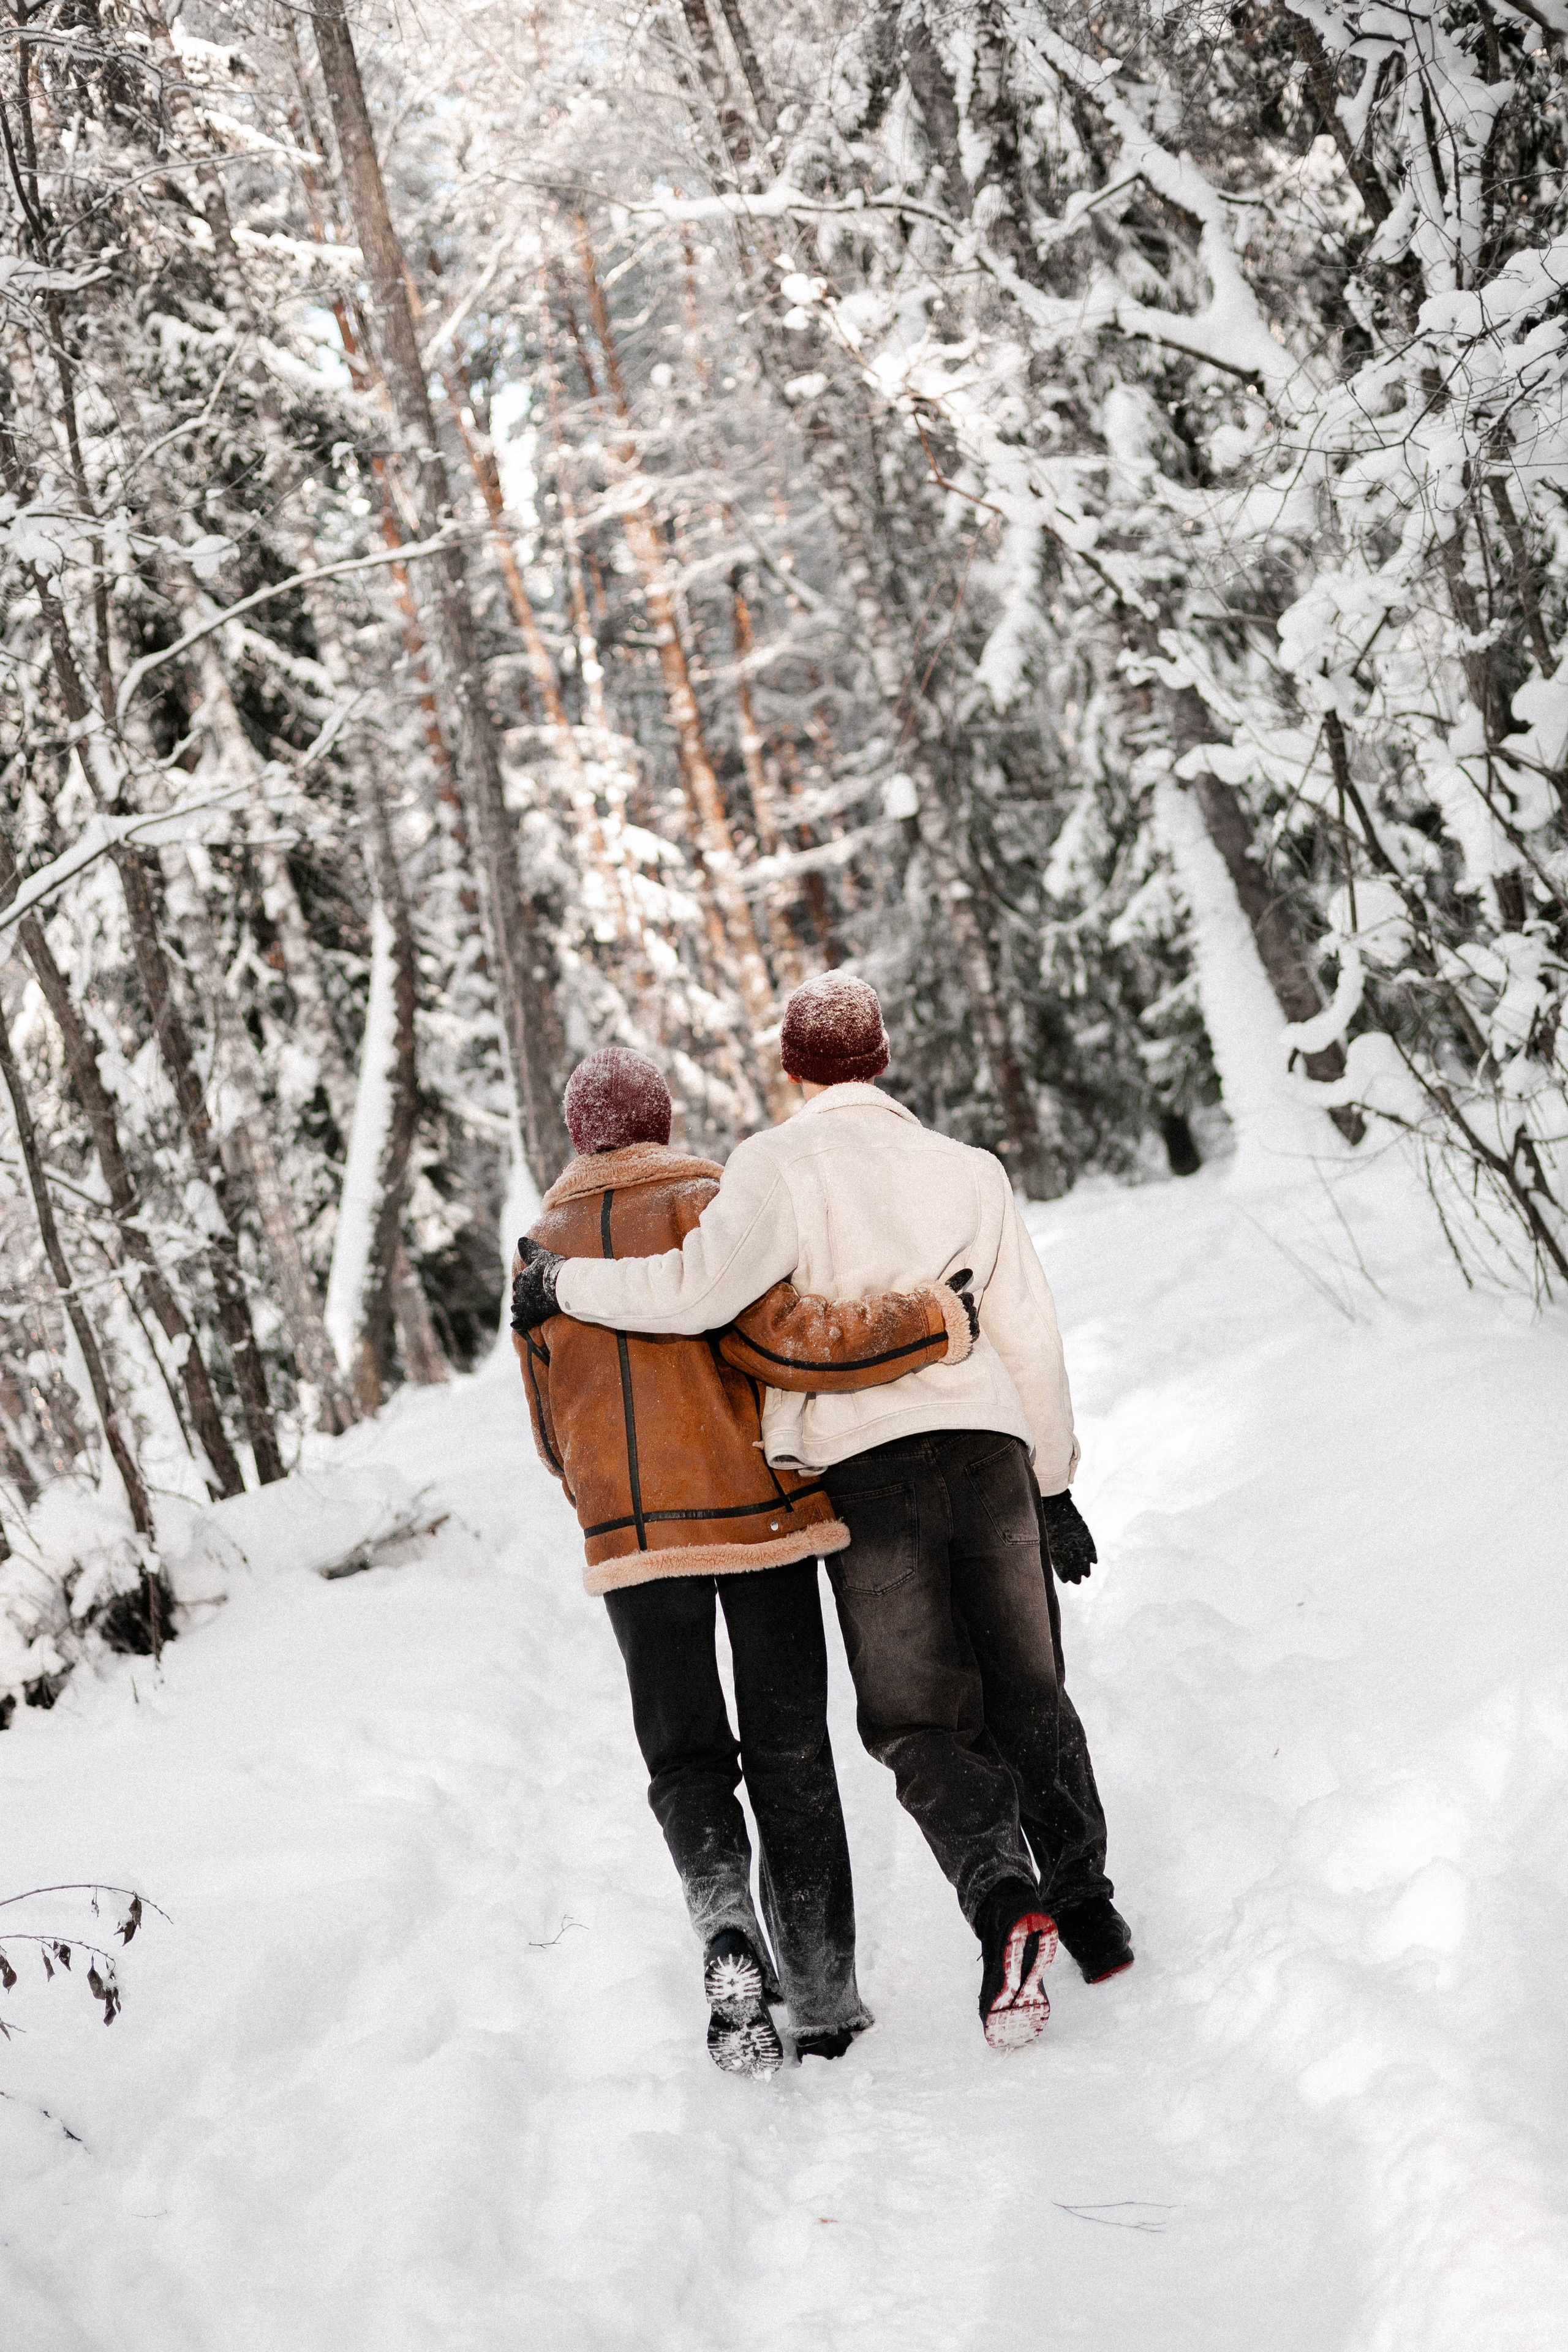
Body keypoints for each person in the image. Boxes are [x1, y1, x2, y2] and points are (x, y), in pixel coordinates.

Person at [514, 979, 1133, 2054]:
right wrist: (1055, 1478)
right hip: (939, 1465)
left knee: (904, 1721)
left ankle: (936, 1905)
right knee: (1011, 1690)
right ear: (882, 1058)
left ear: (791, 1069)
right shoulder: (961, 1171)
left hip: (825, 1480)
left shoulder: (752, 1175)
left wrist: (566, 1290)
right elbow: (1026, 1335)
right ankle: (1079, 1910)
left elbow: (673, 1317)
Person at [514, 1045, 979, 2078]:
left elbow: (550, 1436)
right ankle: (821, 1997)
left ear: (579, 1134)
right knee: (789, 1754)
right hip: (761, 1521)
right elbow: (776, 1340)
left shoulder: (539, 1252)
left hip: (631, 1542)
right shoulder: (711, 1201)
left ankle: (726, 1920)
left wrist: (613, 1495)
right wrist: (923, 1322)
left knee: (685, 1761)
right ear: (663, 1120)